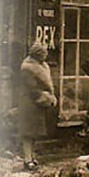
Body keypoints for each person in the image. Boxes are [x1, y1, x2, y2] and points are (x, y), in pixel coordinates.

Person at [18, 42, 56, 170]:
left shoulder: (43, 66)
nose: (46, 55)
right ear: (37, 54)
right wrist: (45, 97)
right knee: (28, 133)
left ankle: (32, 157)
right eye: (44, 53)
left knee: (34, 133)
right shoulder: (27, 68)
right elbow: (32, 89)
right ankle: (27, 159)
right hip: (29, 103)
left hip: (37, 104)